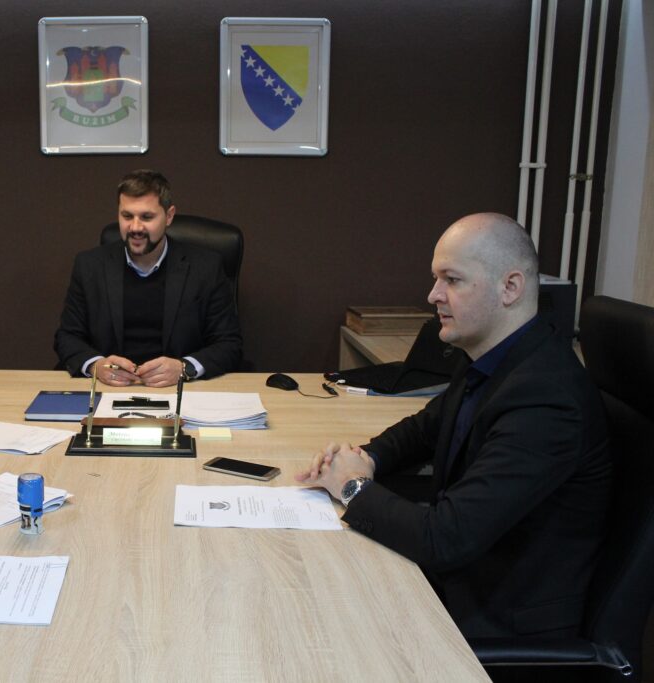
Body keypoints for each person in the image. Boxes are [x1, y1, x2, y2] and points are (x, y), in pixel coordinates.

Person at [297, 213, 612, 639]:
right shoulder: (493, 360)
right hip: (463, 582)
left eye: (452, 280)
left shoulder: (546, 400)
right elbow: (424, 429)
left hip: (496, 624)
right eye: (435, 279)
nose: (433, 295)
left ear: (510, 287)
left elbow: (446, 539)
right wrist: (366, 458)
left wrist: (353, 487)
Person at [54, 169, 242, 388]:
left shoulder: (205, 267)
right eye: (127, 216)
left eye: (146, 217)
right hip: (110, 389)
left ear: (169, 216)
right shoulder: (89, 266)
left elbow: (229, 344)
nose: (135, 227)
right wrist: (96, 366)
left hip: (179, 390)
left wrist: (184, 368)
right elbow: (67, 337)